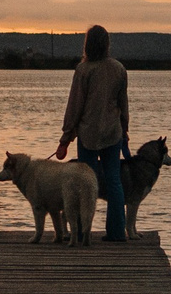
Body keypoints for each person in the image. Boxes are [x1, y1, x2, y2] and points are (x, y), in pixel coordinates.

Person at [52, 24, 130, 242]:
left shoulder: (83, 70)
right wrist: (125, 129)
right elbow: (123, 105)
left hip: (88, 134)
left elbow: (75, 106)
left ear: (87, 44)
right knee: (114, 181)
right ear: (106, 44)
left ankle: (80, 232)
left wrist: (66, 138)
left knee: (84, 183)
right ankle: (117, 232)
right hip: (112, 133)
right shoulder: (119, 69)